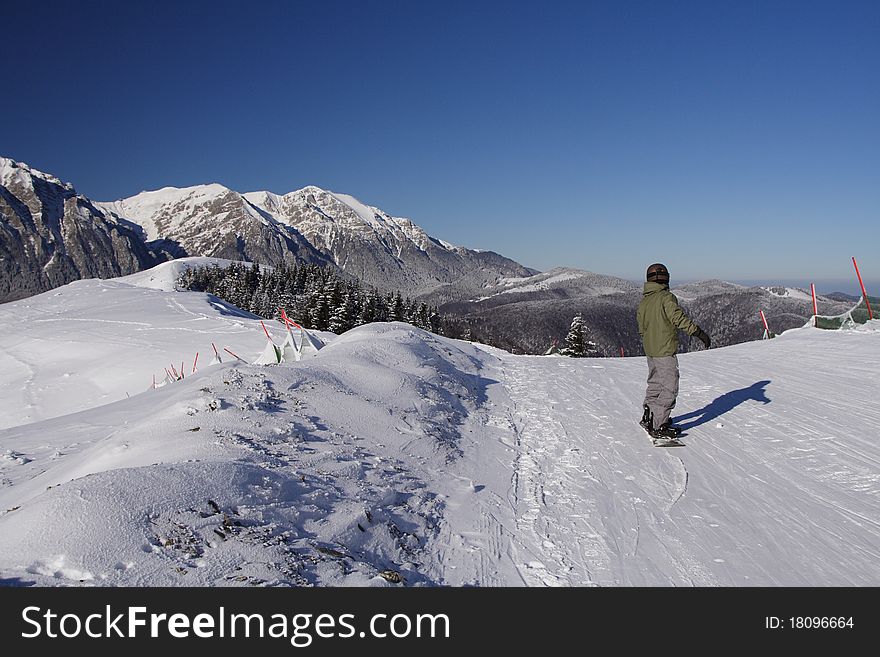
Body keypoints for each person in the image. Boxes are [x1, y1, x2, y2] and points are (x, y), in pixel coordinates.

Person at [636, 263, 711, 440]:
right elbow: (678, 318)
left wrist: (650, 341)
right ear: (664, 277)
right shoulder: (665, 297)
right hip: (664, 349)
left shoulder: (645, 301)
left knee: (655, 383)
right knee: (669, 386)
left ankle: (650, 416)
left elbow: (641, 328)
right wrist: (698, 333)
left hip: (651, 349)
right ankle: (659, 425)